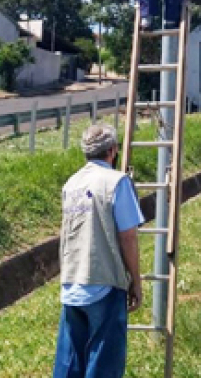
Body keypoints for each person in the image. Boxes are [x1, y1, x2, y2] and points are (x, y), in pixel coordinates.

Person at [53, 123, 145, 378]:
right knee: (103, 365)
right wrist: (135, 281)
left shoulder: (71, 184)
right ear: (113, 150)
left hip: (72, 284)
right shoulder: (116, 182)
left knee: (70, 364)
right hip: (104, 283)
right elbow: (128, 237)